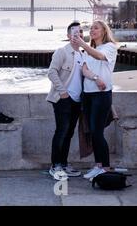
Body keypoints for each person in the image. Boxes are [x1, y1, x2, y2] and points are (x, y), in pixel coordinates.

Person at [73, 20, 118, 180]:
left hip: (102, 95)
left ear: (104, 31)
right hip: (88, 94)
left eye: (96, 28)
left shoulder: (110, 47)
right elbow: (84, 70)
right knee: (92, 132)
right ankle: (98, 166)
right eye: (91, 28)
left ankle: (105, 167)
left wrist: (83, 45)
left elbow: (99, 56)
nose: (92, 30)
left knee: (98, 132)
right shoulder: (89, 50)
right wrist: (96, 77)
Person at [46, 22, 84, 180]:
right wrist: (62, 92)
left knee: (69, 133)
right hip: (63, 99)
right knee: (61, 132)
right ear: (68, 36)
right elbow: (51, 72)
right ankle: (55, 166)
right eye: (75, 33)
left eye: (81, 32)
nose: (79, 35)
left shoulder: (83, 54)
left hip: (77, 100)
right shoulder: (62, 52)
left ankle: (64, 163)